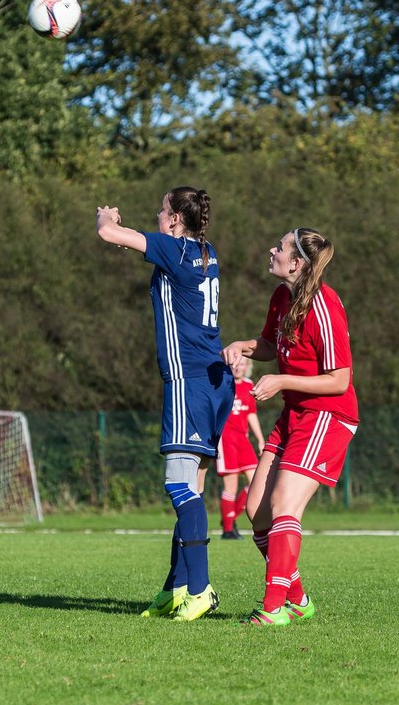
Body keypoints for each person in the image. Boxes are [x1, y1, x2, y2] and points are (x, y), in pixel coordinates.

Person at [96, 187, 234, 622]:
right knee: (191, 490)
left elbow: (108, 234)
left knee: (178, 487)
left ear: (175, 219)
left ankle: (200, 588)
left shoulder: (174, 249)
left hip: (187, 382)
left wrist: (107, 216)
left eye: (161, 209)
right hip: (215, 383)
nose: (156, 215)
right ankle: (175, 588)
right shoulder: (205, 253)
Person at [222, 227, 358, 626]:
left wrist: (281, 381)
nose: (271, 249)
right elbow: (268, 346)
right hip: (295, 413)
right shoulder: (282, 297)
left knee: (284, 506)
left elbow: (339, 381)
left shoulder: (324, 305)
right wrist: (242, 346)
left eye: (279, 247)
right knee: (256, 512)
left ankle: (273, 607)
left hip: (328, 416)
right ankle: (296, 598)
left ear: (297, 262)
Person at [216, 357, 265, 539]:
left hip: (243, 440)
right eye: (235, 364)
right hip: (225, 440)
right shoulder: (223, 385)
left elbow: (251, 414)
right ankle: (228, 530)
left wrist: (260, 439)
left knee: (255, 483)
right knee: (231, 486)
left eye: (242, 364)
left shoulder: (249, 385)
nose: (238, 367)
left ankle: (229, 518)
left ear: (248, 367)